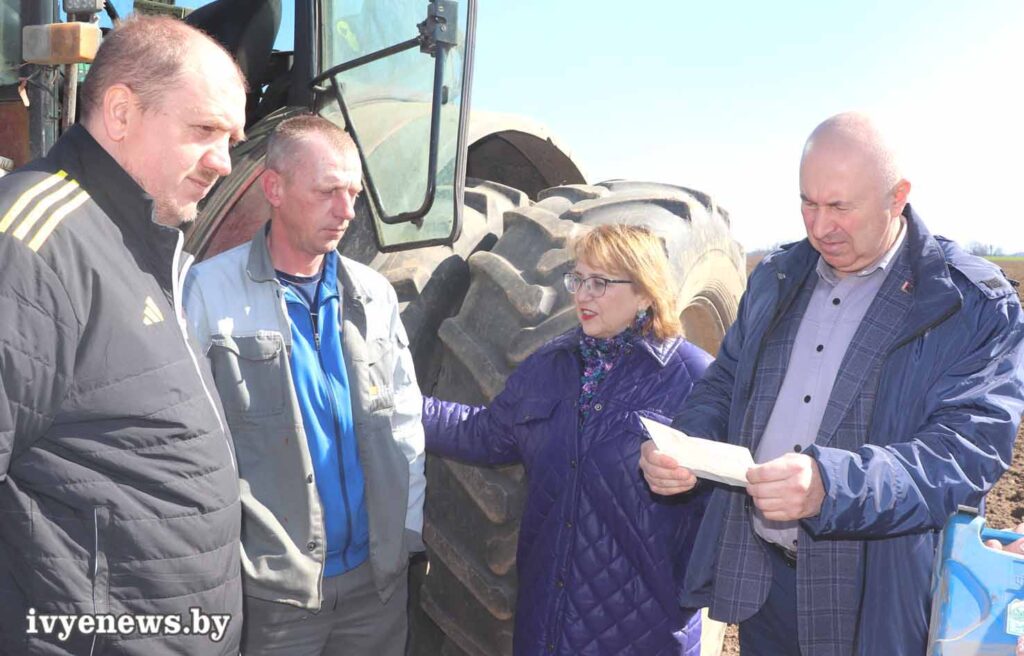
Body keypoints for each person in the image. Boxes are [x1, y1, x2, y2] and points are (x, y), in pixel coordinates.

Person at [639, 111, 1024, 655]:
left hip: (875, 595)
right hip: (765, 582)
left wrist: (832, 484)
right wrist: (688, 446)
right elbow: (726, 382)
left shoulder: (969, 302)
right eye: (808, 204)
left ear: (897, 197)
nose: (820, 227)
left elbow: (968, 452)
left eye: (841, 207)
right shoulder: (776, 277)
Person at [0, 16, 246, 655]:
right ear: (120, 113)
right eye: (205, 130)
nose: (224, 162)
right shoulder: (32, 245)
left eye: (231, 139)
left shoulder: (142, 242)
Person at [184, 114, 425, 656]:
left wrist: (404, 534)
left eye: (353, 193)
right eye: (327, 191)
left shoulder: (374, 295)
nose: (347, 211)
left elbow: (405, 422)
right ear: (274, 188)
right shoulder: (208, 293)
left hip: (376, 586)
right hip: (274, 597)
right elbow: (190, 446)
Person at [423, 224, 711, 655]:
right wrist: (399, 409)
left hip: (642, 634)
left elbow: (726, 504)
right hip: (547, 628)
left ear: (645, 292)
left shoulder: (692, 379)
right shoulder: (551, 364)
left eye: (600, 283)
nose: (582, 295)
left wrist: (696, 483)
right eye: (578, 279)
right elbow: (484, 433)